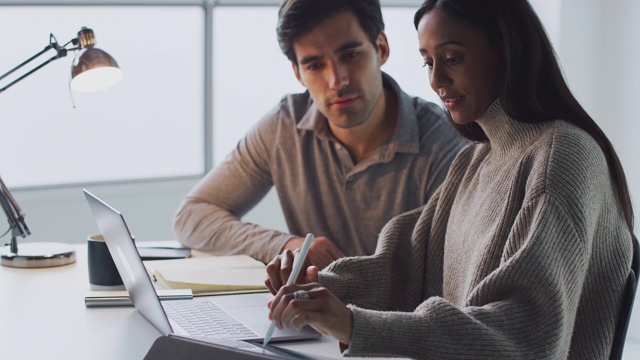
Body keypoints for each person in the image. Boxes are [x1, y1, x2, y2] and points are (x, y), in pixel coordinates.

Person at [265, 0, 636, 358]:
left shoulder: (561, 156)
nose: (436, 80)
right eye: (428, 62)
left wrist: (356, 326)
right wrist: (314, 286)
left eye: (453, 58)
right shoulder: (476, 159)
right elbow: (404, 267)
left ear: (505, 50)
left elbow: (526, 335)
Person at [173, 0, 467, 267]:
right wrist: (287, 245)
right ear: (298, 73)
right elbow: (192, 216)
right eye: (315, 65)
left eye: (350, 55)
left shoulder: (445, 143)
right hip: (311, 319)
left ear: (382, 48)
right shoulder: (284, 126)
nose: (337, 81)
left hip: (401, 325)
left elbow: (446, 277)